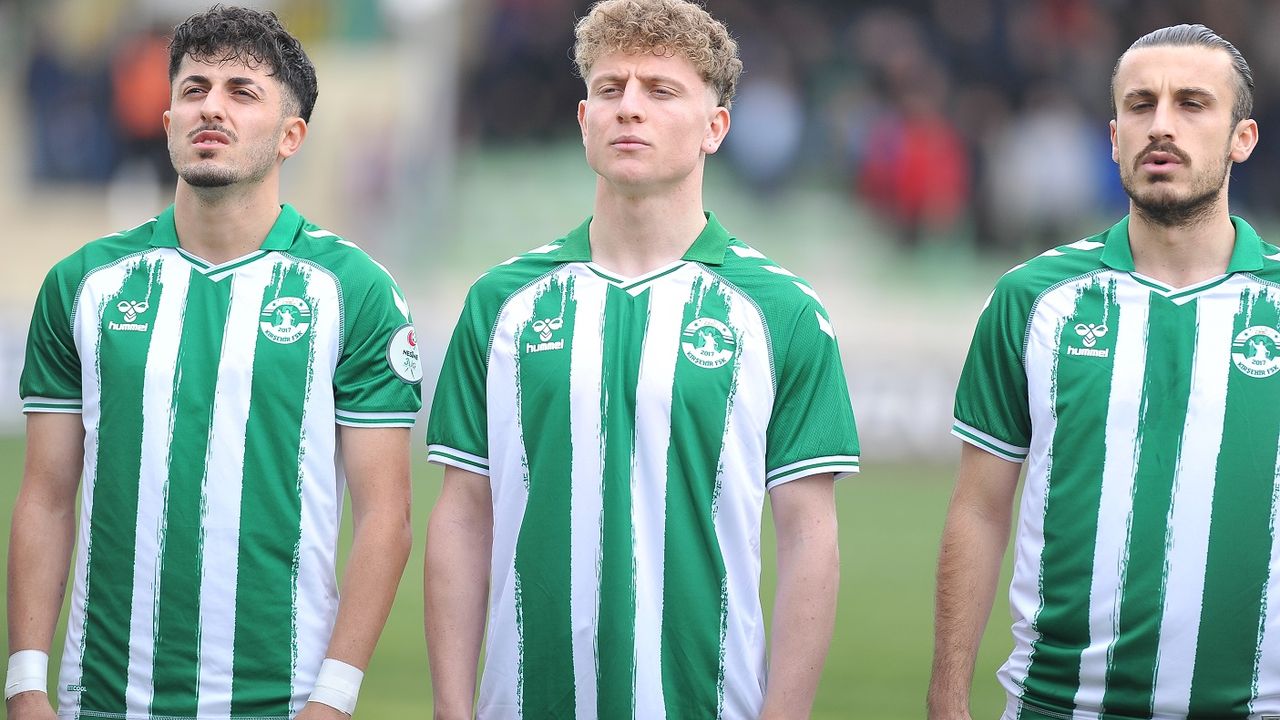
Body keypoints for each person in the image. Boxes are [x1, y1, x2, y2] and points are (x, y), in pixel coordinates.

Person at [423, 0, 859, 718]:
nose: (629, 107)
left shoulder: (781, 312)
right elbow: (464, 515)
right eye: (610, 88)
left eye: (660, 90)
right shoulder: (500, 303)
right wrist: (450, 708)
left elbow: (809, 536)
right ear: (583, 119)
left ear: (715, 127)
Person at [6, 7, 421, 720]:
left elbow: (387, 515)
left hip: (282, 702)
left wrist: (333, 699)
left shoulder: (354, 292)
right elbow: (44, 496)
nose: (211, 108)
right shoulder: (84, 284)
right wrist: (24, 683)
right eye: (194, 89)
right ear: (167, 119)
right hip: (100, 700)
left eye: (242, 92)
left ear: (291, 136)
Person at [930, 24, 1280, 720]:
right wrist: (947, 697)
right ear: (1115, 138)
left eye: (1192, 104)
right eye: (1141, 105)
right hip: (1058, 705)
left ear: (1242, 138)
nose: (1162, 125)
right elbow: (979, 507)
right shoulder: (1033, 299)